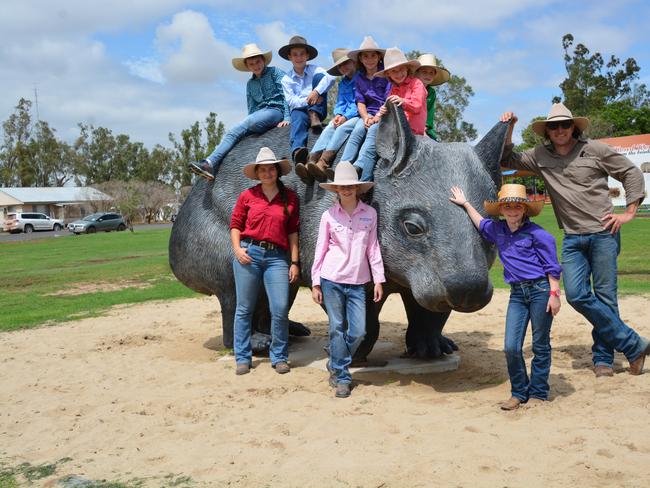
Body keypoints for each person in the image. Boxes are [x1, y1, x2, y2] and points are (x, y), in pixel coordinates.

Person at [500, 103, 649, 376]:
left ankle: (603, 359)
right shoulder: (539, 155)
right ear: (547, 131)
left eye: (564, 125)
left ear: (573, 127)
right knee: (577, 295)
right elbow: (508, 158)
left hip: (604, 234)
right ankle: (633, 343)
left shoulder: (596, 149)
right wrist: (509, 127)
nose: (559, 130)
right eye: (554, 126)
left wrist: (629, 212)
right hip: (572, 238)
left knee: (605, 297)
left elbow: (631, 173)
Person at [450, 184, 562, 410]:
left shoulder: (539, 235)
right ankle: (519, 392)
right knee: (511, 347)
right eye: (508, 207)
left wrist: (554, 294)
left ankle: (538, 393)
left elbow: (552, 267)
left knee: (540, 344)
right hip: (517, 295)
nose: (512, 211)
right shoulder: (497, 229)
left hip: (540, 291)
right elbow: (480, 222)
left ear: (524, 210)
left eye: (517, 207)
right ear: (501, 210)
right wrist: (465, 203)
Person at [311, 161, 385, 398]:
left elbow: (373, 248)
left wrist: (379, 279)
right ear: (336, 190)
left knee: (359, 332)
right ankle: (342, 376)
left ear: (357, 188)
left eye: (350, 186)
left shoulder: (370, 214)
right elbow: (320, 249)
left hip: (358, 282)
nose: (346, 189)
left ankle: (335, 357)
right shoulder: (328, 216)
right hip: (331, 279)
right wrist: (315, 282)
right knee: (337, 328)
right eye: (342, 186)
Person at [230, 147, 301, 375]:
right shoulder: (248, 196)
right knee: (244, 308)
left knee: (279, 308)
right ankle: (242, 357)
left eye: (271, 169)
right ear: (257, 173)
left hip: (277, 258)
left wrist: (294, 262)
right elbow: (235, 225)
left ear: (277, 171)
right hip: (249, 254)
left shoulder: (289, 198)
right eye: (263, 170)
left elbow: (293, 232)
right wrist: (237, 250)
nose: (267, 173)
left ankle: (279, 356)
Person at [189, 44, 289, 181]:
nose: (256, 66)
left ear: (263, 61)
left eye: (258, 62)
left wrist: (287, 117)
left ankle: (210, 162)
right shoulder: (250, 84)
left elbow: (287, 95)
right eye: (252, 64)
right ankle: (210, 163)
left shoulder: (276, 73)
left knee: (247, 122)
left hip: (276, 111)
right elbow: (252, 108)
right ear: (248, 66)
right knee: (233, 132)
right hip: (259, 116)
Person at [294, 48, 360, 184]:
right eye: (340, 66)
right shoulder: (342, 83)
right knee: (330, 127)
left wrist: (345, 117)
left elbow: (359, 102)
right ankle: (311, 160)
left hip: (357, 114)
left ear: (354, 62)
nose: (344, 67)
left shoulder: (361, 79)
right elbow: (340, 102)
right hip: (344, 114)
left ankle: (324, 162)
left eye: (346, 63)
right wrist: (338, 114)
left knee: (343, 128)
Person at [338, 36, 391, 182]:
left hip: (385, 114)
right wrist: (366, 117)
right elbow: (360, 101)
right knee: (357, 131)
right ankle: (343, 165)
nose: (370, 59)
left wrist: (377, 117)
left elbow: (388, 98)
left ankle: (359, 165)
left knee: (373, 132)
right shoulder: (360, 78)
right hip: (368, 114)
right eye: (366, 56)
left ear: (379, 57)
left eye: (373, 55)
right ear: (360, 59)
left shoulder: (386, 74)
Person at [279, 35, 335, 164]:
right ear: (289, 57)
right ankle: (298, 149)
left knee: (320, 78)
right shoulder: (286, 79)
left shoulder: (315, 69)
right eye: (295, 54)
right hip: (302, 109)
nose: (299, 57)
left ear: (307, 56)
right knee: (297, 117)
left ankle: (314, 113)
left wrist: (316, 92)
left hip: (318, 108)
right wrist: (308, 100)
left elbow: (331, 78)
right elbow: (291, 101)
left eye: (302, 54)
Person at [376, 47, 428, 136]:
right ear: (388, 74)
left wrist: (403, 102)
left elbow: (417, 106)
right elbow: (389, 108)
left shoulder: (417, 83)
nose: (399, 74)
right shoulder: (393, 89)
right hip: (397, 131)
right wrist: (382, 111)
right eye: (394, 71)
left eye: (401, 69)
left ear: (407, 68)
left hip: (414, 132)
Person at [414, 53, 450, 141]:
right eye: (424, 72)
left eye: (431, 73)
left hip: (425, 128)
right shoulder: (410, 87)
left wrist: (425, 128)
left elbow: (429, 113)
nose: (428, 75)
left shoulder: (431, 93)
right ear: (416, 73)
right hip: (409, 125)